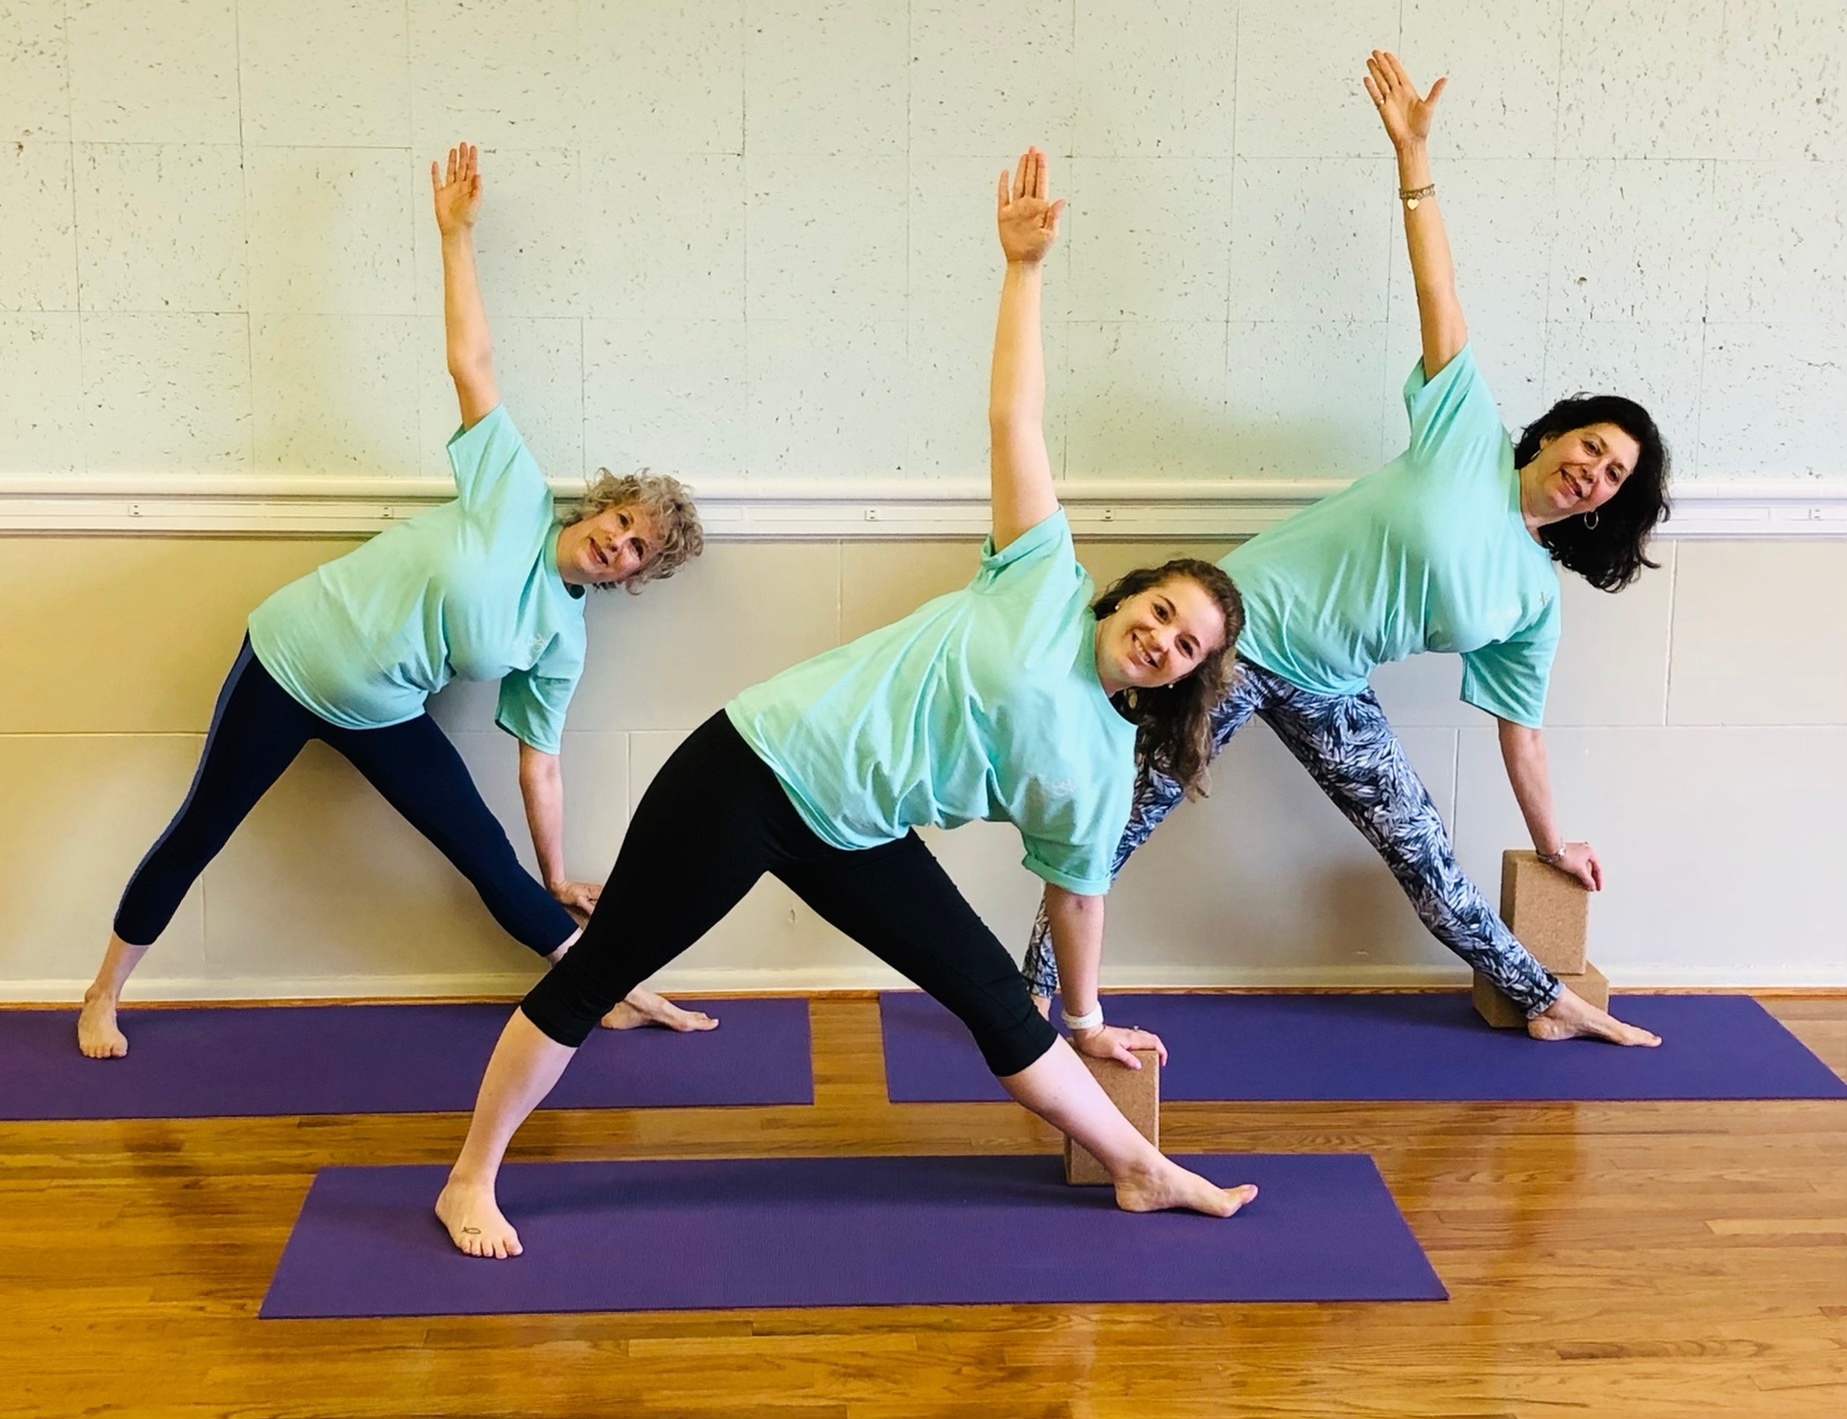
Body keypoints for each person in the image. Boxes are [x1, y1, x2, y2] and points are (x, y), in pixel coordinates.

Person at [435, 147, 1258, 1259]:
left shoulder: (1103, 770)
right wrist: (1022, 271)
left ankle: (1141, 1171)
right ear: (1126, 598)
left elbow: (1076, 900)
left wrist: (1089, 1019)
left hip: (854, 827)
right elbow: (1015, 423)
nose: (1162, 640)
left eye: (1185, 646)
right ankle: (468, 1181)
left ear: (1186, 677)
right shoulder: (1040, 579)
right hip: (750, 767)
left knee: (989, 1004)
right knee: (601, 971)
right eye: (1159, 612)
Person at [1023, 53, 1671, 1049]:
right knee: (1117, 821)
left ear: (1604, 508)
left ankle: (1543, 999)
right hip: (1226, 639)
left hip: (1328, 685)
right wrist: (1413, 161)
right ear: (1549, 437)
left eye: (1614, 475)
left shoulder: (1529, 602)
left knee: (1419, 849)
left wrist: (1552, 844)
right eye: (1590, 445)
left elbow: (1520, 735)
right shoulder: (1461, 432)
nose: (1594, 471)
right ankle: (1029, 1001)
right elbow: (1437, 288)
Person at [78, 144, 711, 1059]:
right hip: (291, 660)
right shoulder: (512, 490)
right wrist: (455, 235)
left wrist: (558, 872)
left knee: (484, 853)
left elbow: (540, 766)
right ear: (597, 504)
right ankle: (102, 995)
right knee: (200, 829)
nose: (619, 540)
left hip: (382, 712)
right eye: (621, 518)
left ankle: (604, 991)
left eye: (637, 549)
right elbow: (473, 361)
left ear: (631, 576)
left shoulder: (560, 636)